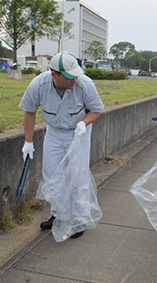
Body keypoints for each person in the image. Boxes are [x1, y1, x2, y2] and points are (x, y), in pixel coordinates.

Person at [19, 51, 104, 239]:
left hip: (79, 131)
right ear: (54, 75)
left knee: (78, 175)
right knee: (52, 175)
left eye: (76, 75)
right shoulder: (39, 85)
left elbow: (96, 110)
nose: (74, 79)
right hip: (55, 131)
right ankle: (58, 215)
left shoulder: (84, 84)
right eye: (69, 76)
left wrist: (83, 123)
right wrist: (28, 141)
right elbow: (29, 112)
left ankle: (80, 218)